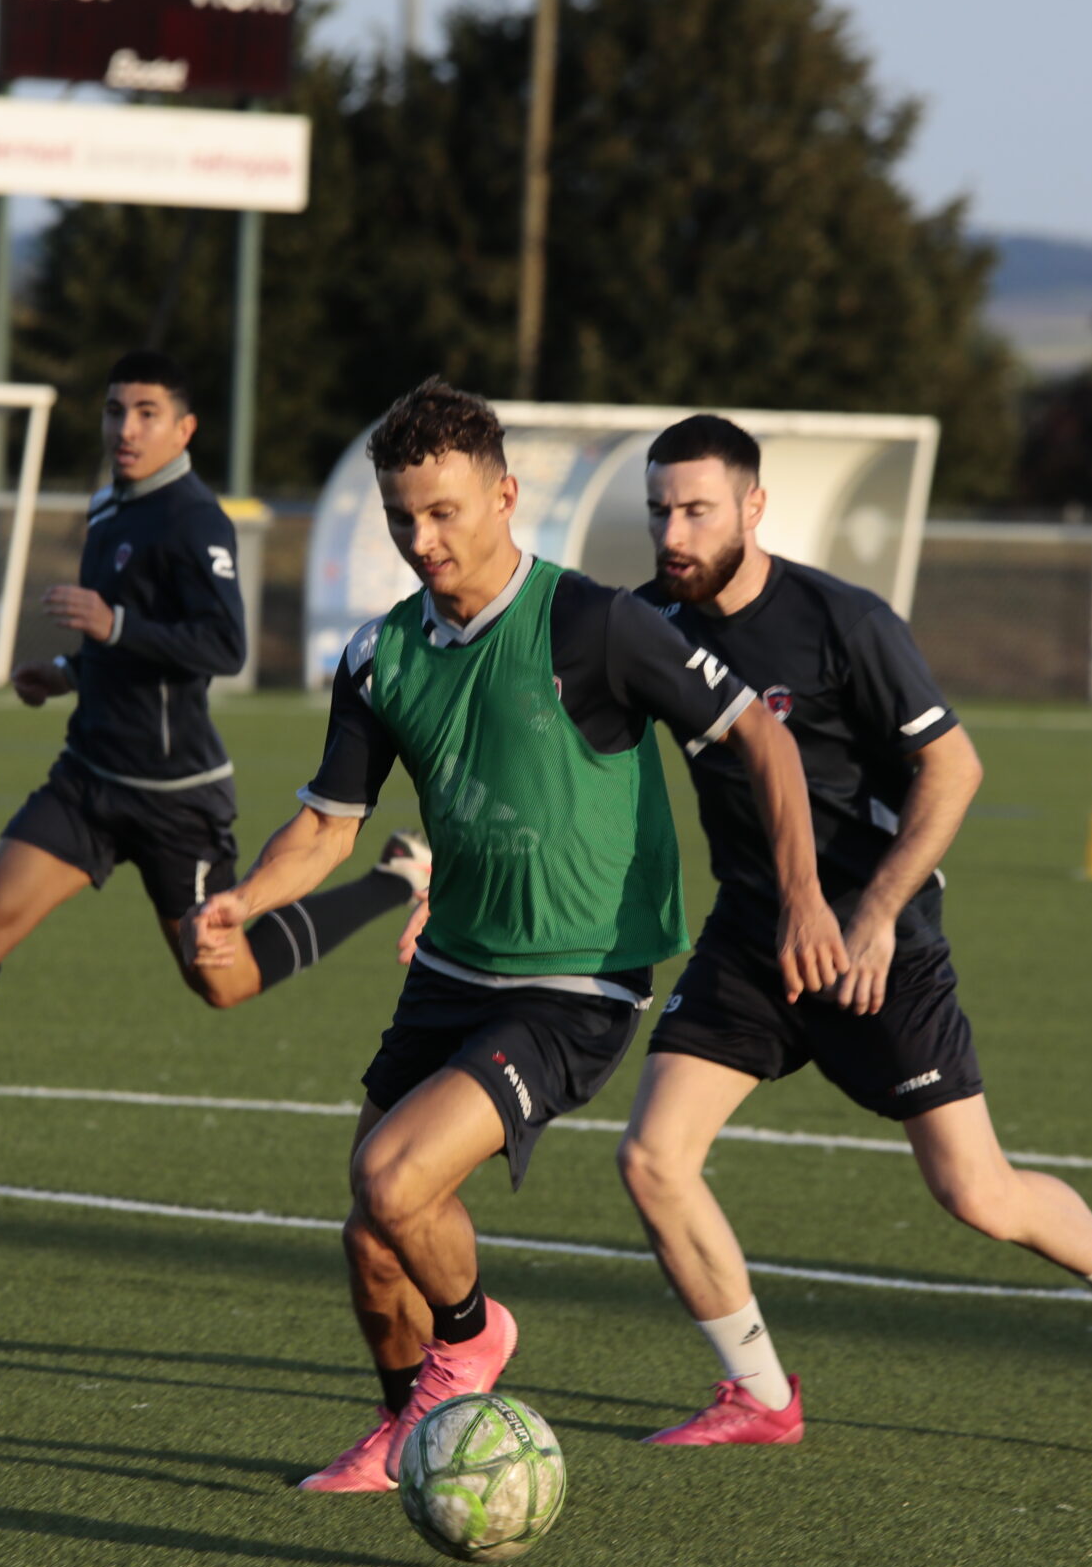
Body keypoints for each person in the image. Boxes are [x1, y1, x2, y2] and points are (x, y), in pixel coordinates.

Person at [190, 380, 844, 1491]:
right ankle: (411, 1430)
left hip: (575, 982)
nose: (420, 539)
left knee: (396, 1182)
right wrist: (245, 901)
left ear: (504, 496)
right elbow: (325, 827)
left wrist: (805, 895)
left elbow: (762, 743)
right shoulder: (379, 655)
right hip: (451, 970)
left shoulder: (596, 624)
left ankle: (473, 1338)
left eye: (443, 511)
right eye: (402, 516)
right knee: (371, 1230)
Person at [619, 414, 1092, 1449]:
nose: (672, 532)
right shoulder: (644, 625)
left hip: (876, 943)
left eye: (696, 510)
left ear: (753, 509)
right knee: (652, 1158)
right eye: (659, 511)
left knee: (976, 1193)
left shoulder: (842, 622)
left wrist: (873, 917)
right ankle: (761, 1394)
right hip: (752, 936)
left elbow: (953, 770)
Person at [0, 351, 428, 1194]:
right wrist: (65, 668)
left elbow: (222, 647)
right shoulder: (108, 509)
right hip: (87, 778)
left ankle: (394, 877)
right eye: (115, 411)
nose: (125, 429)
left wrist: (112, 621)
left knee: (223, 981)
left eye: (146, 413)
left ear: (184, 428)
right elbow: (119, 646)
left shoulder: (195, 521)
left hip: (174, 799)